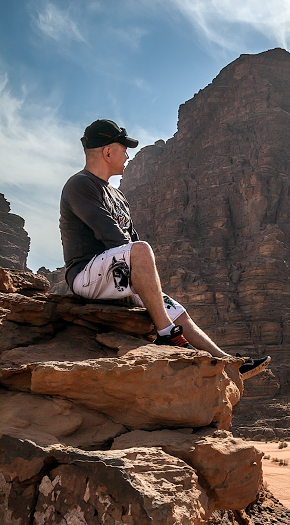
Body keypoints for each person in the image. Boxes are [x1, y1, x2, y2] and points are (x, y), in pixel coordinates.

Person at [59, 119, 270, 378]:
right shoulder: (80, 185)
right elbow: (114, 238)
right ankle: (166, 335)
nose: (127, 155)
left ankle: (228, 362)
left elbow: (129, 239)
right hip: (85, 276)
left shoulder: (117, 195)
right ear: (107, 152)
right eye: (124, 148)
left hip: (116, 272)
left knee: (178, 311)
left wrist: (145, 285)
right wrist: (138, 273)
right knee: (142, 251)